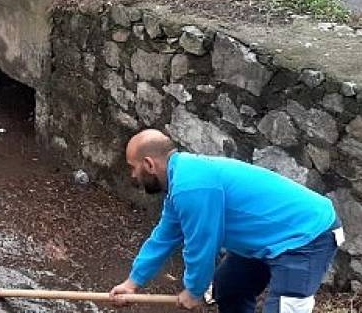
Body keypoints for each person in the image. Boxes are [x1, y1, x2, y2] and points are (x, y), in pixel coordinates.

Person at [110, 129, 343, 313]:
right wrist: (133, 282)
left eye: (133, 167)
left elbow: (201, 244)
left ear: (149, 164)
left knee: (285, 308)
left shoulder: (190, 185)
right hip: (267, 239)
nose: (132, 175)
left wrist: (194, 290)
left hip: (306, 237)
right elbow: (164, 237)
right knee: (230, 287)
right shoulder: (180, 182)